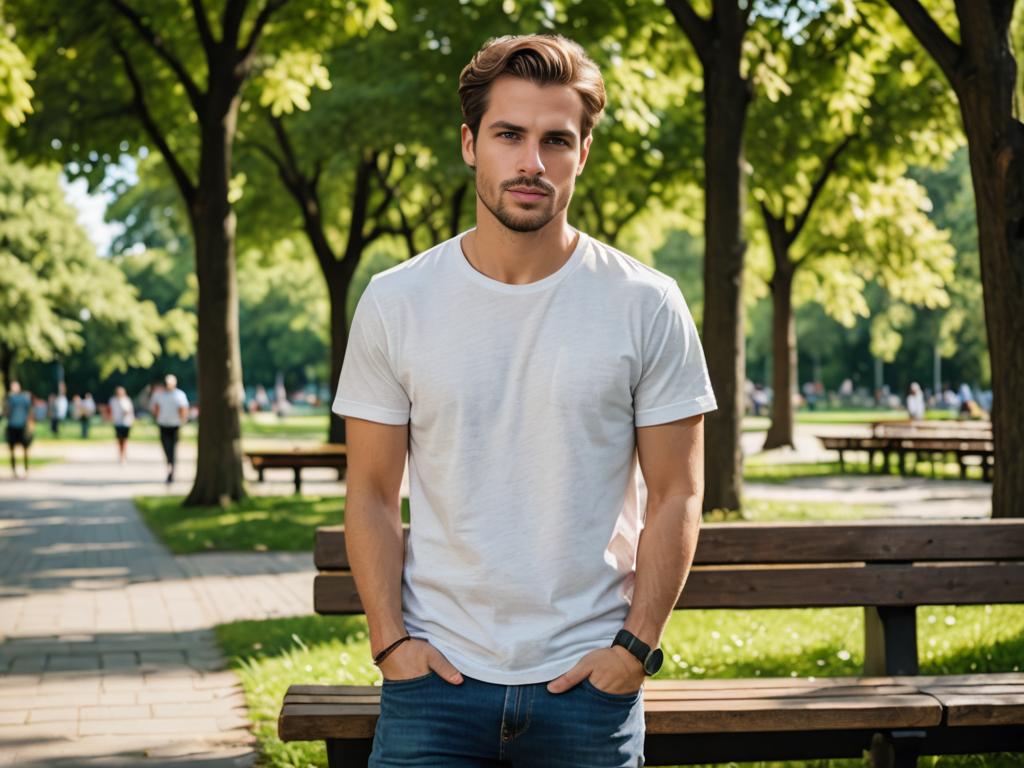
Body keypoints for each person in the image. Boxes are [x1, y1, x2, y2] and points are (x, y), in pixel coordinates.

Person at [334, 35, 716, 767]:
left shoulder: (647, 303)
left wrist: (634, 651)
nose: (531, 162)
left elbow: (678, 494)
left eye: (556, 140)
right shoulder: (396, 303)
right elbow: (373, 493)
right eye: (509, 135)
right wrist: (390, 643)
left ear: (584, 153)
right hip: (434, 682)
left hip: (588, 684)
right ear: (471, 143)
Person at [150, 374, 189, 483]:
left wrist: (183, 419)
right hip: (163, 425)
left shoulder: (179, 395)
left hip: (175, 425)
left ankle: (172, 471)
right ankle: (169, 466)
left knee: (173, 449)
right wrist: (156, 417)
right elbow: (155, 408)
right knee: (166, 448)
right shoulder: (159, 395)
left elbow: (183, 409)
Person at [5, 381, 34, 478]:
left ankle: (24, 469)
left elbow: (7, 412)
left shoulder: (13, 398)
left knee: (22, 449)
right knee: (15, 450)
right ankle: (16, 470)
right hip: (15, 426)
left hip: (19, 426)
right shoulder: (22, 398)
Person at [108, 386, 135, 464]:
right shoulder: (113, 400)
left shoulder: (127, 400)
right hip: (117, 422)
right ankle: (121, 455)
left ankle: (124, 454)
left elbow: (130, 411)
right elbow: (110, 410)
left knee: (125, 440)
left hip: (126, 422)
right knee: (119, 440)